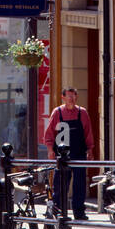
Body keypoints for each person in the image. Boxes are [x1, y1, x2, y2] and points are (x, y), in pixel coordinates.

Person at [44, 87, 96, 220]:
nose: (71, 99)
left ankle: (79, 212)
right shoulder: (57, 112)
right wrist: (50, 150)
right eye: (68, 96)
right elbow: (49, 133)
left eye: (73, 96)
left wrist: (90, 150)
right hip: (62, 156)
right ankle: (58, 210)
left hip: (79, 153)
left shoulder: (82, 113)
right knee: (60, 184)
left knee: (80, 184)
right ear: (63, 98)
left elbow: (87, 133)